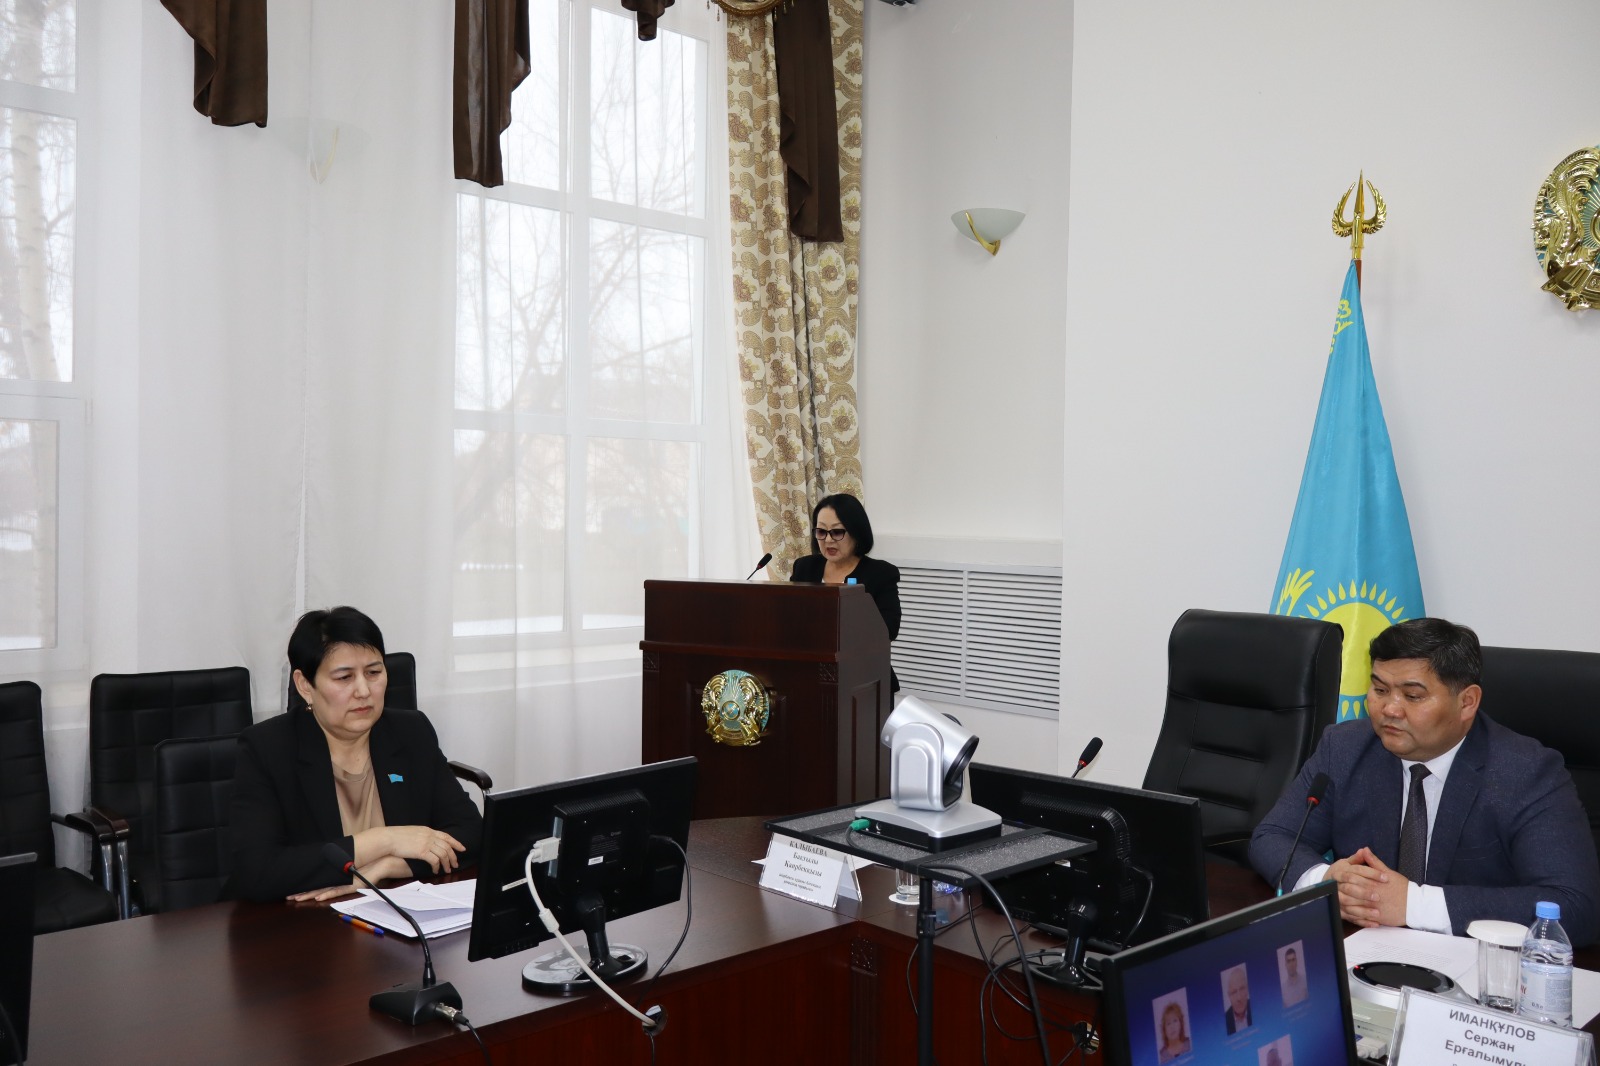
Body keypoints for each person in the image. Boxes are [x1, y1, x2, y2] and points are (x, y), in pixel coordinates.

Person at [1249, 618, 1600, 944]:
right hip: (1366, 953)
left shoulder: (1526, 772)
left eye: (1412, 696)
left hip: (1476, 968)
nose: (1390, 709)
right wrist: (1327, 884)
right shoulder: (1345, 747)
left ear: (1467, 702)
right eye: (1380, 689)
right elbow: (1273, 837)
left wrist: (1413, 905)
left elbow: (1577, 905)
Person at [226, 606, 483, 902]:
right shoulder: (267, 748)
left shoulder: (411, 731)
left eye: (374, 673)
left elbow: (472, 834)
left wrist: (391, 866)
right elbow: (257, 872)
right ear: (305, 685)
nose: (363, 690)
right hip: (302, 919)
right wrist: (385, 840)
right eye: (344, 677)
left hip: (393, 910)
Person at [789, 492, 902, 690]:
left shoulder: (881, 574)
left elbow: (888, 630)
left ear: (856, 533)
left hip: (865, 680)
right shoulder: (804, 568)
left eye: (837, 532)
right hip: (810, 676)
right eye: (821, 532)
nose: (828, 540)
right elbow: (789, 617)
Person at [1222, 966, 1252, 1034]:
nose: (1239, 998)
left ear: (1247, 989)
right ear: (1229, 996)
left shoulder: (1257, 1007)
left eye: (1242, 989)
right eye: (1234, 992)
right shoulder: (1225, 1020)